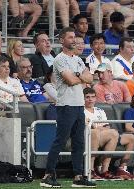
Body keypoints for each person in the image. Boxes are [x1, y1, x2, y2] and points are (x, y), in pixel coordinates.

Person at [40, 27, 96, 188]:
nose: (73, 40)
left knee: (79, 142)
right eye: (70, 37)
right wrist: (79, 76)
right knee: (60, 141)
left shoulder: (77, 59)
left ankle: (78, 176)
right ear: (61, 40)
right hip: (66, 105)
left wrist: (77, 75)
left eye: (74, 37)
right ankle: (48, 175)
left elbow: (89, 78)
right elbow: (70, 80)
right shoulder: (60, 59)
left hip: (79, 105)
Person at [83, 87, 134, 180]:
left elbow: (107, 126)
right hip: (88, 136)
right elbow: (88, 127)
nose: (90, 99)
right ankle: (90, 170)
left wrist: (99, 128)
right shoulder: (81, 110)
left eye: (92, 97)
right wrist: (99, 128)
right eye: (87, 97)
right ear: (83, 99)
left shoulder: (100, 110)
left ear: (96, 98)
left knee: (130, 137)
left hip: (104, 135)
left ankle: (117, 169)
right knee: (97, 132)